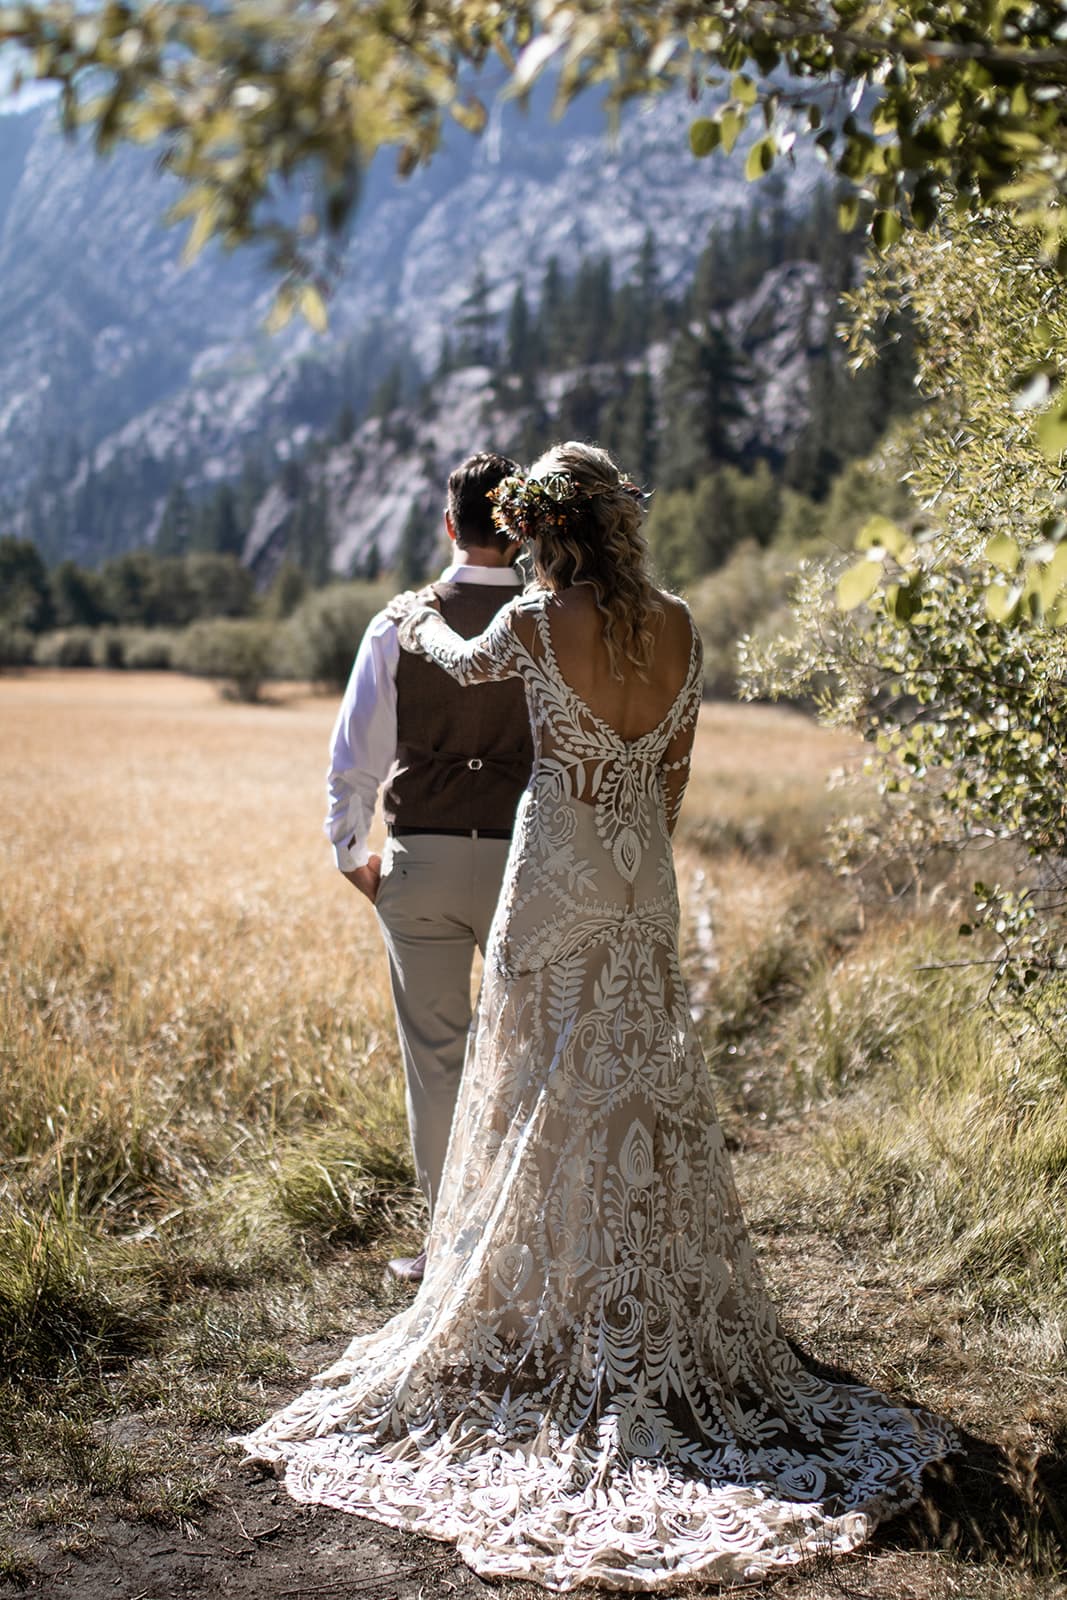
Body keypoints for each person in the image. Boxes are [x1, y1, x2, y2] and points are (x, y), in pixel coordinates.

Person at [244, 442, 956, 1589]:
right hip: (638, 876)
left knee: (533, 1079)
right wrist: (635, 839)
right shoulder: (676, 622)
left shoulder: (530, 620)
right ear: (619, 520)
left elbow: (459, 660)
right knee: (635, 1078)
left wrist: (411, 621)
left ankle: (543, 1297)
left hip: (557, 867)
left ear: (540, 528)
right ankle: (633, 1285)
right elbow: (671, 770)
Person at [325, 450, 532, 1281]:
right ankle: (530, 1239)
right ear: (519, 531)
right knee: (533, 1053)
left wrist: (352, 855)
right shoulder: (556, 622)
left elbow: (353, 754)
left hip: (422, 861)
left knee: (437, 1060)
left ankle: (452, 1251)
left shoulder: (401, 622)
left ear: (451, 526)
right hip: (530, 861)